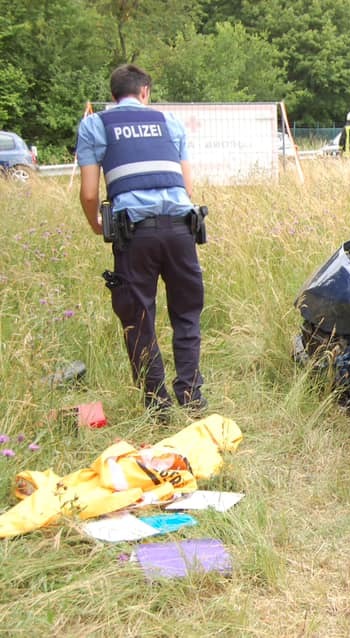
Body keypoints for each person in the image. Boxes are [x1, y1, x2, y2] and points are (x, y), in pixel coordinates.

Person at [76, 63, 206, 417]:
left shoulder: (96, 124)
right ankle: (191, 397)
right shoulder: (169, 122)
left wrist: (96, 224)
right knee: (186, 314)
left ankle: (157, 406)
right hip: (181, 229)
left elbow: (89, 193)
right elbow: (187, 187)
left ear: (113, 94)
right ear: (145, 91)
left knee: (138, 317)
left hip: (134, 234)